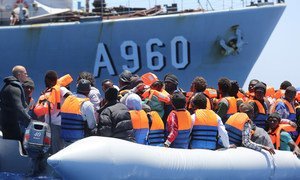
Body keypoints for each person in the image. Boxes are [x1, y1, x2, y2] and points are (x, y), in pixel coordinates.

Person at [34, 70, 71, 154]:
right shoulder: (48, 91)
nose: (45, 82)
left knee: (57, 149)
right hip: (48, 124)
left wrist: (63, 109)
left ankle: (56, 166)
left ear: (50, 80)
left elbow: (71, 97)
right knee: (48, 148)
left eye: (46, 80)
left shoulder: (61, 89)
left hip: (57, 125)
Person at [0, 65, 32, 142]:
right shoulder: (14, 88)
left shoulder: (8, 86)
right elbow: (19, 109)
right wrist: (30, 121)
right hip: (12, 125)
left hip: (7, 123)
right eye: (25, 73)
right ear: (19, 74)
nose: (27, 76)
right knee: (16, 145)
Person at [61, 79, 97, 145]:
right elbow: (92, 125)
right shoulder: (87, 104)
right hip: (78, 141)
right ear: (88, 91)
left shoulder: (67, 99)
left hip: (63, 139)